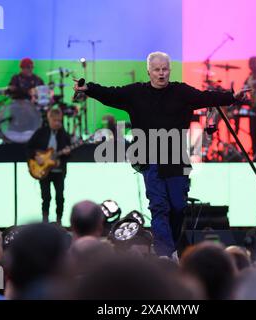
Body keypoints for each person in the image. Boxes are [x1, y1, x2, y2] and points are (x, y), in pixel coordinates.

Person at [74, 51, 247, 259]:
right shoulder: (136, 93)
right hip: (148, 158)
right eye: (157, 69)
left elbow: (205, 97)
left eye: (165, 69)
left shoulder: (181, 92)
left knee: (178, 207)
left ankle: (170, 248)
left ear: (169, 70)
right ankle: (165, 254)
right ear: (149, 71)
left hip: (175, 158)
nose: (161, 73)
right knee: (159, 206)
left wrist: (232, 98)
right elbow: (111, 94)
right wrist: (89, 89)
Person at [27, 108, 72, 224]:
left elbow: (68, 154)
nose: (57, 123)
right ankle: (45, 222)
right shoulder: (41, 133)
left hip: (58, 171)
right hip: (43, 171)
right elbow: (29, 147)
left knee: (60, 198)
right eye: (55, 120)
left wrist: (67, 153)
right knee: (46, 197)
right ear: (49, 119)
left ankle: (59, 221)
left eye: (59, 121)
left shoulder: (64, 135)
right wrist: (36, 156)